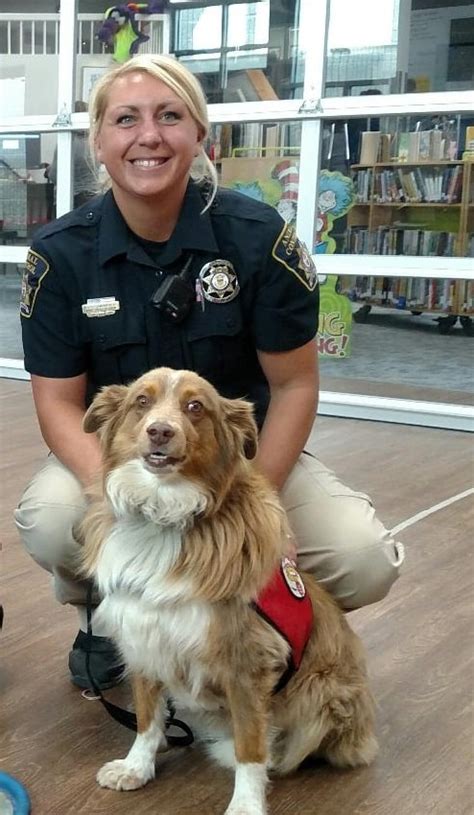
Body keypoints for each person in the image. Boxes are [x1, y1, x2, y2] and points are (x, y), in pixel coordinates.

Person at [15, 55, 404, 690]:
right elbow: (58, 403)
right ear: (98, 142)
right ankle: (107, 619)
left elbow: (294, 385)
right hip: (123, 461)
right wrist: (111, 496)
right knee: (53, 520)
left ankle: (235, 628)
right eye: (126, 119)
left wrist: (255, 506)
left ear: (200, 135)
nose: (149, 136)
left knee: (361, 559)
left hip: (240, 464)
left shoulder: (257, 239)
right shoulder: (60, 256)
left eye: (170, 116)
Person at [45, 101, 97, 211]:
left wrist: (49, 170)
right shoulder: (94, 142)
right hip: (93, 196)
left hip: (72, 198)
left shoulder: (67, 142)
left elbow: (55, 175)